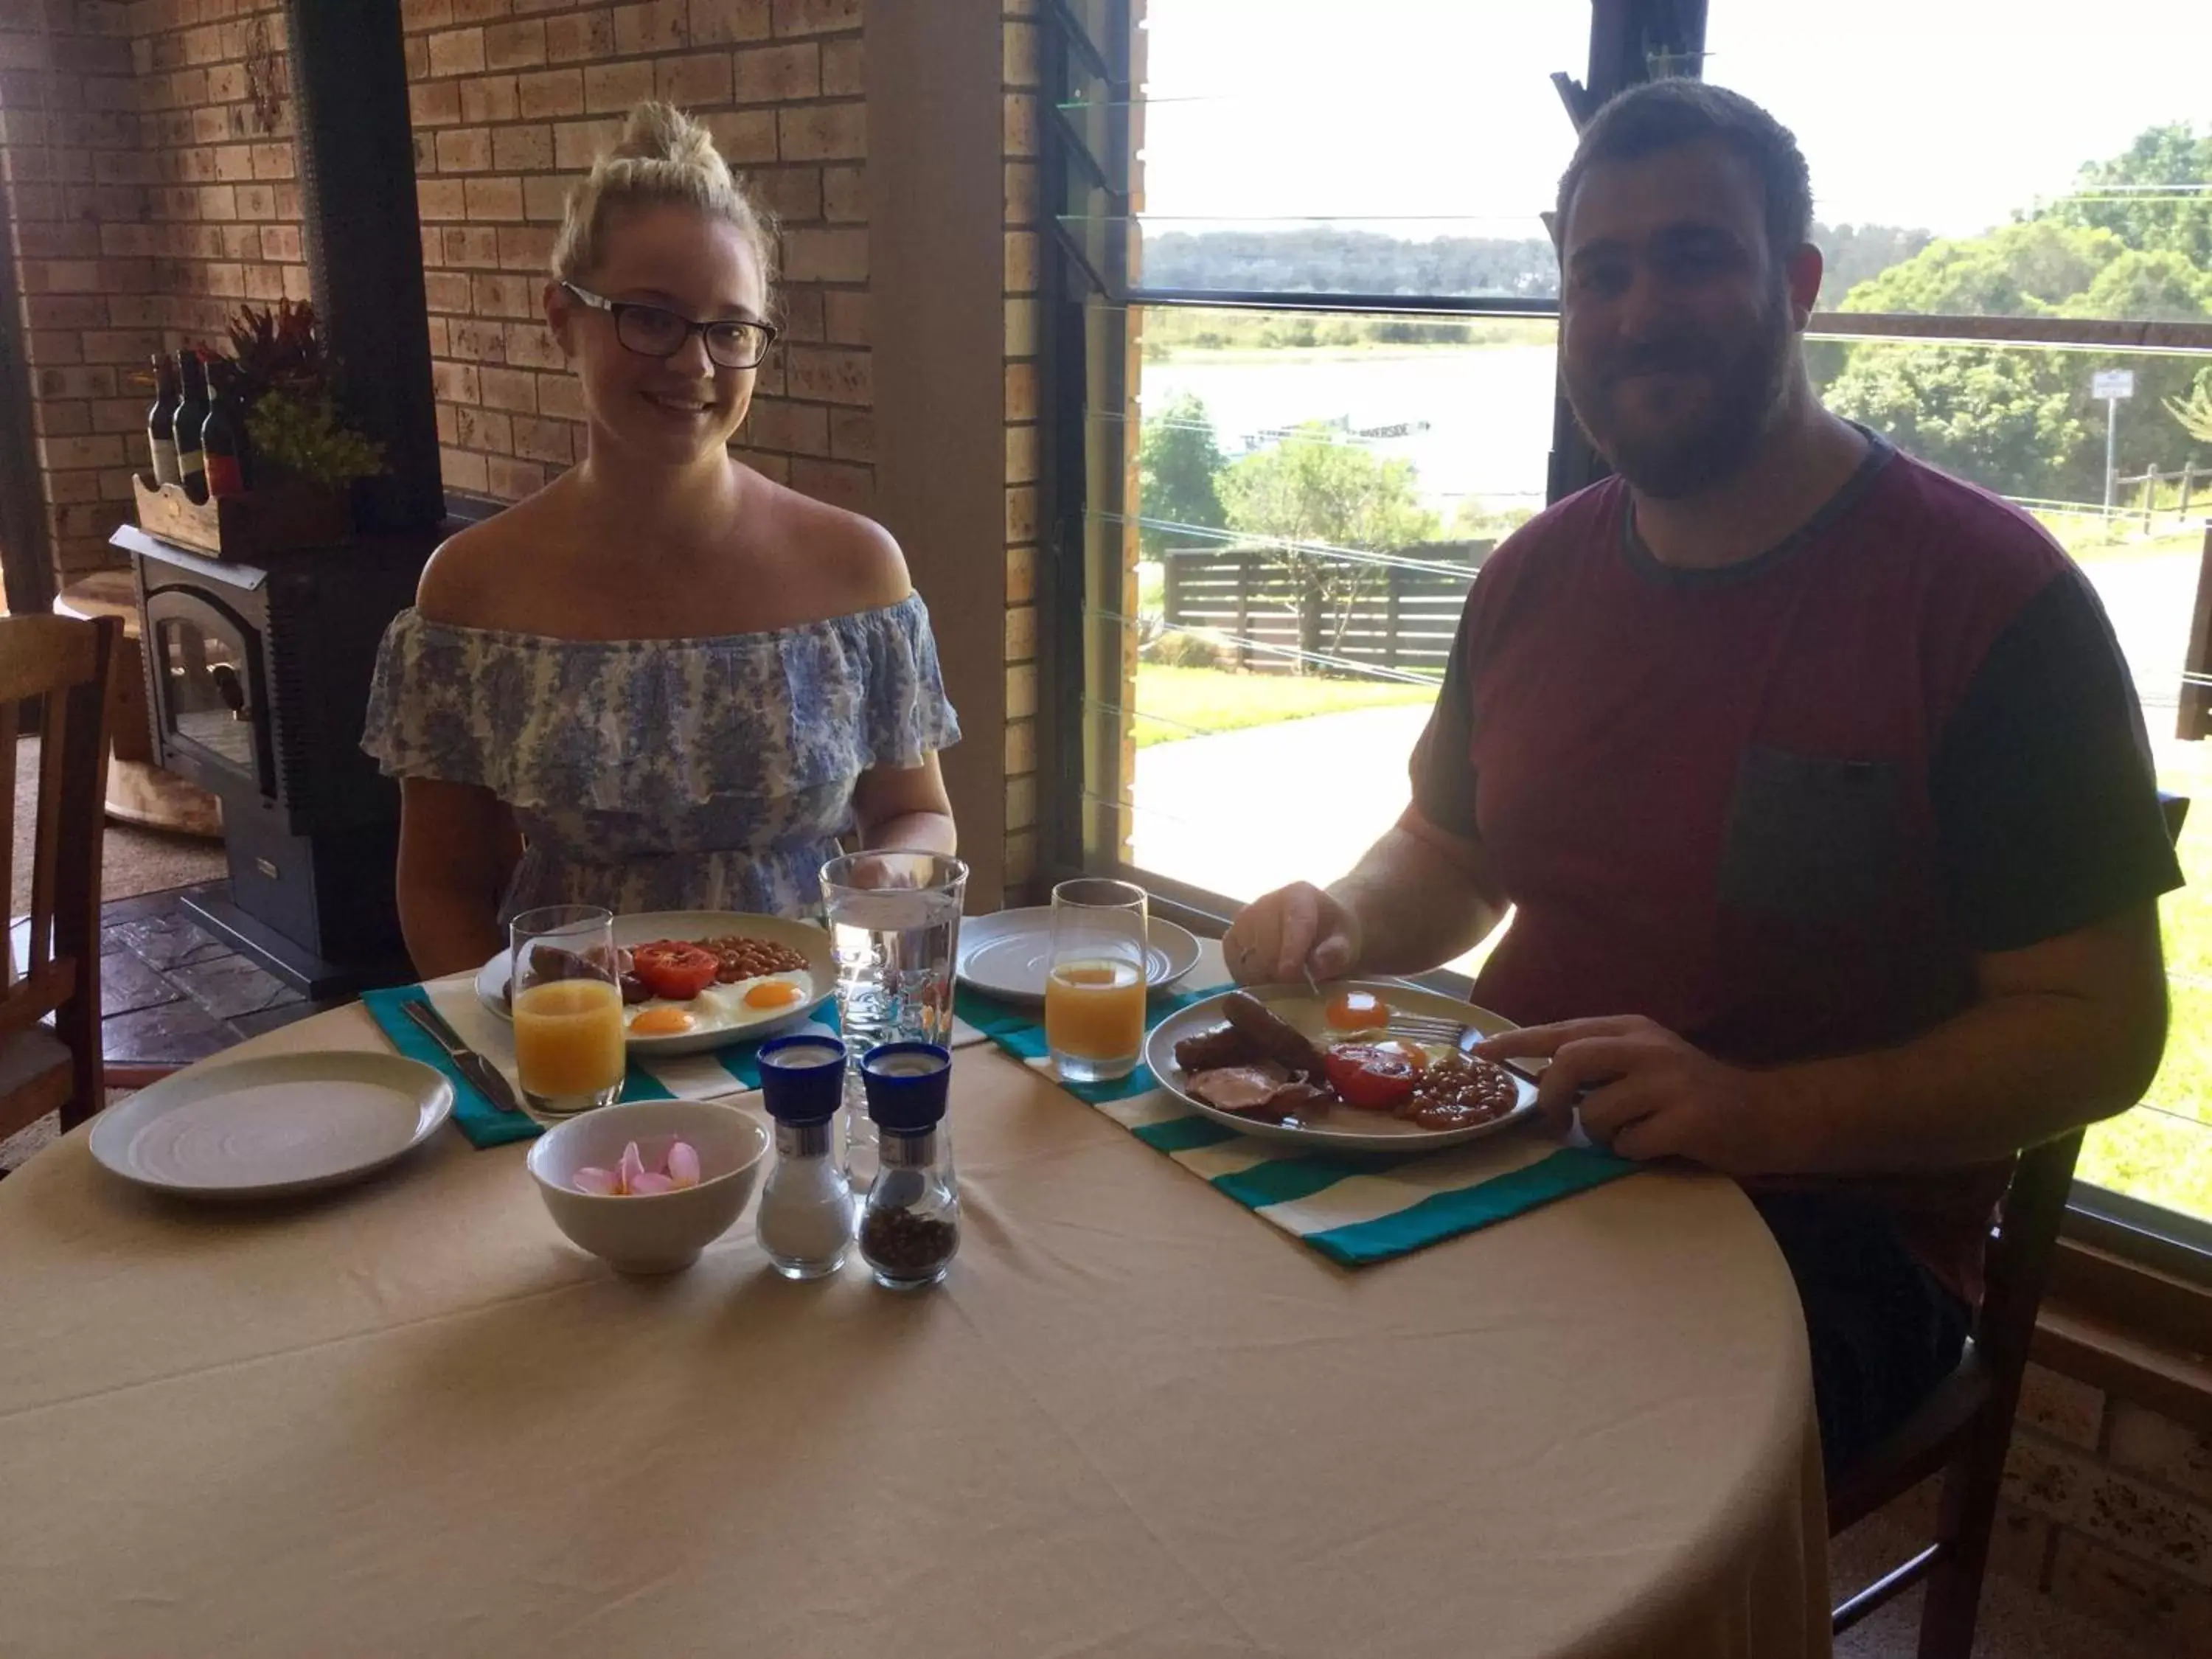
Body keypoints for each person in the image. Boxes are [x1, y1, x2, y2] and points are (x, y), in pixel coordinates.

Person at [1222, 80, 2181, 1477]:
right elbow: (1452, 847)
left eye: (1694, 257)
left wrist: (1758, 1108)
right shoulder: (1532, 573)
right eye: (1596, 274)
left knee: (1473, 1463)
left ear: (1796, 283)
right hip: (1508, 1159)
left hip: (1834, 1232)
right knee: (1223, 1337)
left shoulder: (1991, 601)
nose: (1636, 314)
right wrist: (1350, 913)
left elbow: (2100, 1029)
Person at [363, 102, 959, 978]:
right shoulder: (471, 592)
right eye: (650, 317)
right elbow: (445, 889)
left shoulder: (858, 572)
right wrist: (515, 1048)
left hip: (808, 1033)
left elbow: (917, 813)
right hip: (579, 1054)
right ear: (563, 318)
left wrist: (891, 876)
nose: (695, 365)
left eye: (730, 329)